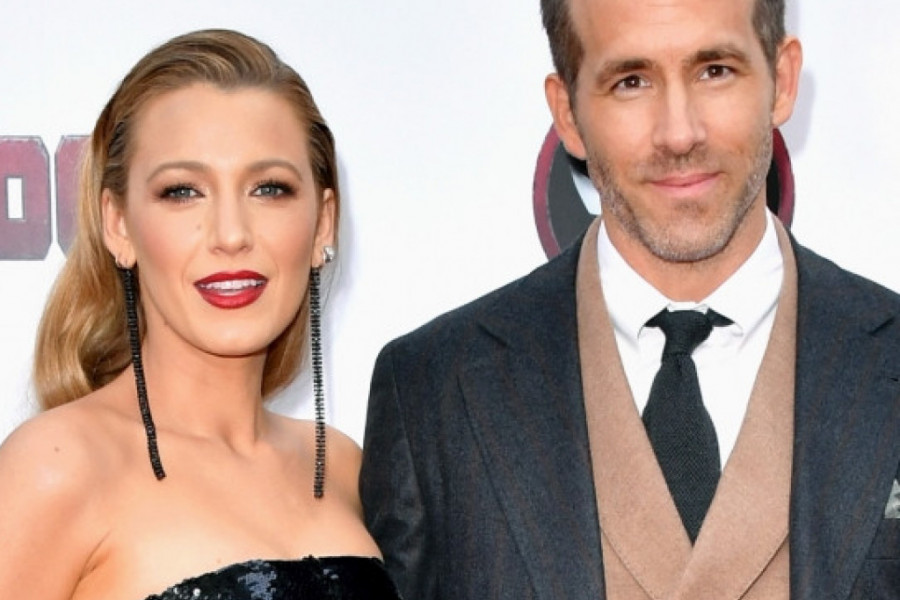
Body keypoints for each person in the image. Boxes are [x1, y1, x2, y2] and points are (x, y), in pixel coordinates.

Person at [360, 0, 900, 598]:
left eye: (715, 70)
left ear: (783, 80)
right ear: (568, 113)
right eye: (631, 82)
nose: (679, 134)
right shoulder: (433, 391)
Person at [0, 29, 401, 600]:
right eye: (183, 191)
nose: (231, 235)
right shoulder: (56, 468)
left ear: (324, 223)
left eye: (269, 188)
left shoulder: (341, 468)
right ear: (118, 224)